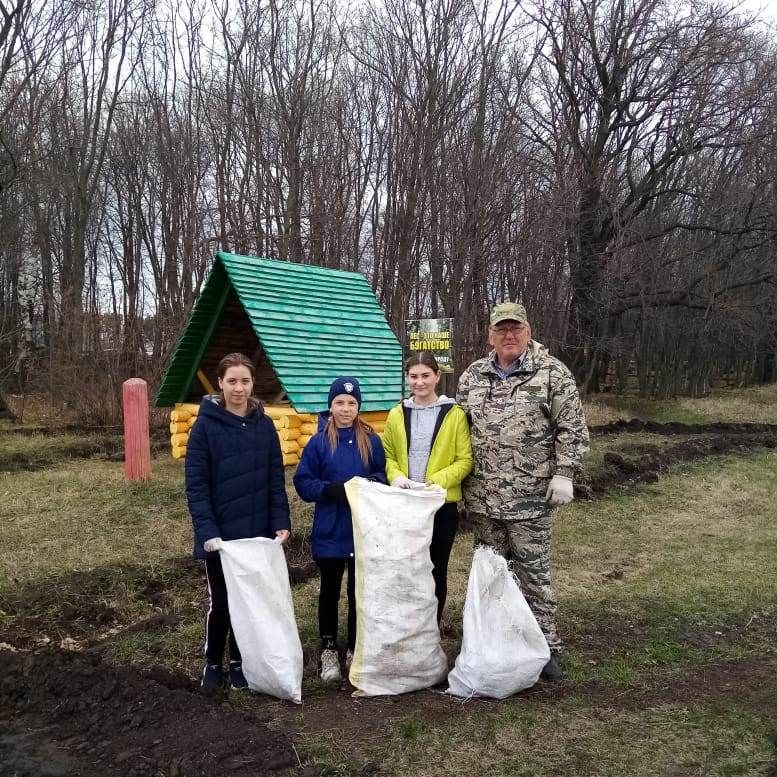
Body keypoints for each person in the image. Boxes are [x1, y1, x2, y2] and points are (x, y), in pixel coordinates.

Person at [456, 302, 589, 681]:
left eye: (515, 329)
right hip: (483, 498)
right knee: (491, 575)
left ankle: (546, 646)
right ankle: (496, 642)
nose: (508, 336)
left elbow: (573, 429)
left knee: (533, 575)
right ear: (490, 335)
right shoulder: (473, 377)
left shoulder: (551, 374)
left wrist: (565, 472)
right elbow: (456, 431)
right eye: (501, 330)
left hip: (531, 498)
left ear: (527, 332)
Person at [185, 352, 291, 692]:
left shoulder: (265, 425)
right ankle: (213, 662)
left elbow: (276, 477)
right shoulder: (205, 427)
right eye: (232, 381)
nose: (239, 388)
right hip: (222, 536)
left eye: (244, 381)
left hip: (257, 530)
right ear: (220, 383)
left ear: (252, 383)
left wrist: (280, 520)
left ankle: (240, 661)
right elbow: (197, 486)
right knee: (223, 602)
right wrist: (208, 532)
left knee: (252, 601)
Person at [293, 377, 387, 684]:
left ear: (359, 407)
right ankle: (329, 647)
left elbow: (381, 475)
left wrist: (369, 485)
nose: (346, 409)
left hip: (362, 530)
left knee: (358, 592)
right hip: (331, 529)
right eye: (339, 403)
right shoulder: (319, 442)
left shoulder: (370, 440)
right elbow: (303, 482)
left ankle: (356, 647)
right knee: (330, 591)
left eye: (352, 404)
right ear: (330, 406)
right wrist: (329, 491)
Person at [382, 351, 473, 625]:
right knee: (408, 568)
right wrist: (396, 476)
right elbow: (388, 455)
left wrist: (437, 482)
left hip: (440, 503)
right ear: (407, 378)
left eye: (425, 376)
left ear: (437, 377)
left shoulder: (453, 414)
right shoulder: (397, 413)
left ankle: (431, 628)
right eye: (413, 376)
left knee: (436, 567)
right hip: (407, 503)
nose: (419, 382)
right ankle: (408, 626)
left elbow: (464, 459)